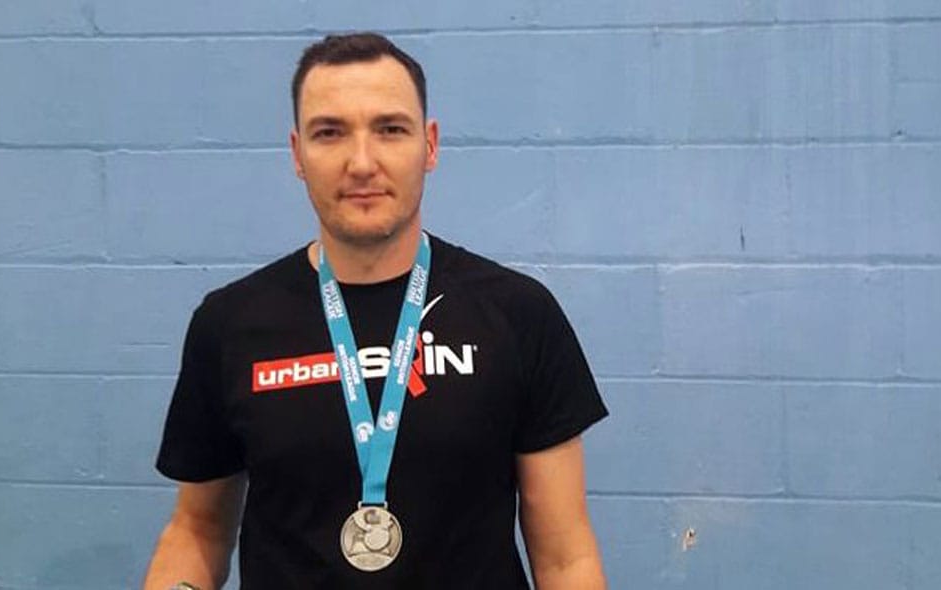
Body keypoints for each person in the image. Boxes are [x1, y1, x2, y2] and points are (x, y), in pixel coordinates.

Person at [143, 32, 608, 590]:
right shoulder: (229, 325)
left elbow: (565, 557)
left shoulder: (519, 314)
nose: (361, 163)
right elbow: (197, 533)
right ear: (297, 154)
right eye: (330, 132)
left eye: (390, 129)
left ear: (429, 146)